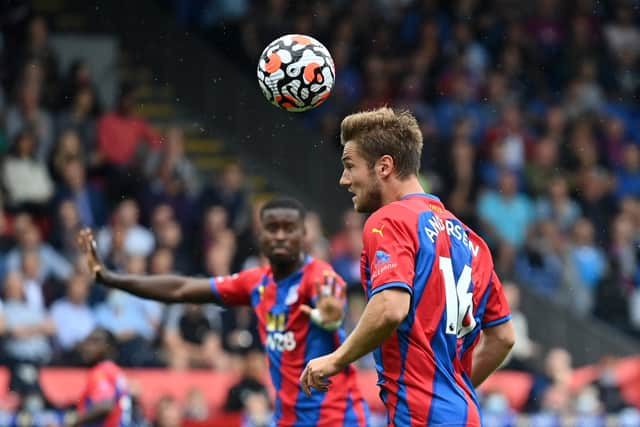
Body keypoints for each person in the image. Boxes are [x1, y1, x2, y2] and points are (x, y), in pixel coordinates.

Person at [300, 107, 515, 426]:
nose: (344, 180)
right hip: (463, 415)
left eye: (349, 166)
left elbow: (390, 308)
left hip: (419, 416)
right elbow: (504, 338)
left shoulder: (389, 220)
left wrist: (335, 360)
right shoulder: (473, 242)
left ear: (384, 166)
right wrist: (454, 391)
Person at [77, 197, 369, 427]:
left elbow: (331, 302)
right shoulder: (256, 283)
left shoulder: (319, 275)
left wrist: (329, 312)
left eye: (289, 228)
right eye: (272, 228)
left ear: (303, 235)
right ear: (261, 235)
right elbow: (181, 288)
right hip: (289, 420)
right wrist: (111, 277)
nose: (280, 235)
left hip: (337, 419)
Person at [67, 328, 132, 427]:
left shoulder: (101, 371)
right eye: (87, 341)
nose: (87, 347)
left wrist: (74, 421)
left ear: (109, 348)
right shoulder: (115, 371)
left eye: (95, 342)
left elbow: (106, 405)